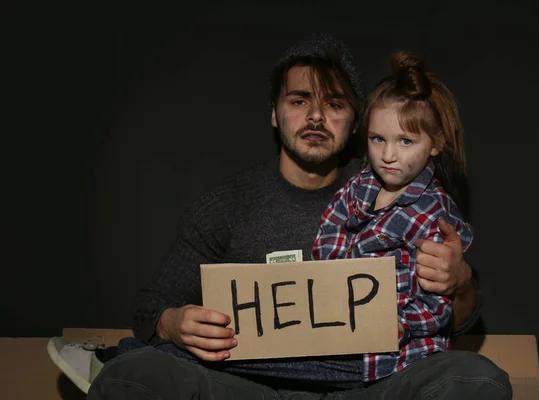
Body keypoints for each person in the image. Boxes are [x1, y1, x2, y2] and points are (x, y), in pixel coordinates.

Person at [84, 33, 511, 399]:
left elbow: (463, 318)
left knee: (479, 380)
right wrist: (173, 324)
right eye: (299, 100)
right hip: (252, 389)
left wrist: (460, 282)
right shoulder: (225, 205)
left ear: (355, 123)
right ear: (275, 113)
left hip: (370, 386)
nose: (315, 117)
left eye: (334, 104)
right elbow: (148, 307)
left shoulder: (398, 193)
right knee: (137, 375)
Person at [312, 50, 474, 382]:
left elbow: (438, 307)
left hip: (405, 361)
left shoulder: (434, 213)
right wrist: (334, 280)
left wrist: (398, 323)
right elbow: (329, 229)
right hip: (345, 347)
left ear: (436, 143)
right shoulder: (358, 187)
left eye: (405, 141)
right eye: (377, 139)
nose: (387, 155)